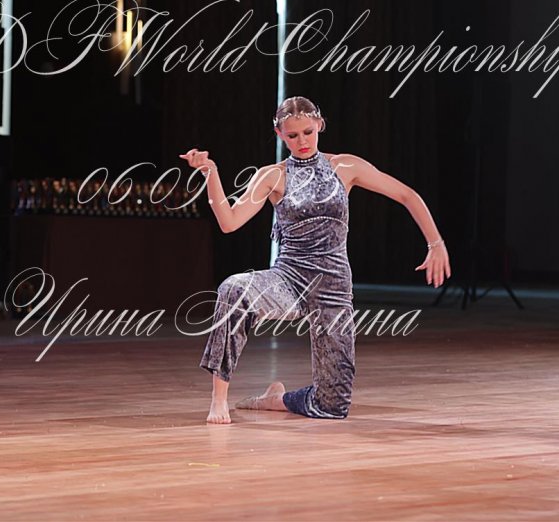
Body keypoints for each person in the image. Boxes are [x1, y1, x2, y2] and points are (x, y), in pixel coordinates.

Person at [179, 96, 451, 424]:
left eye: (308, 132)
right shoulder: (273, 176)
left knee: (333, 406)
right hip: (289, 280)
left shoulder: (345, 167)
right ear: (280, 134)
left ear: (320, 125)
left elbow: (407, 195)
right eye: (293, 135)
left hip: (333, 286)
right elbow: (229, 222)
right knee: (233, 288)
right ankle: (219, 397)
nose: (302, 141)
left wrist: (436, 243)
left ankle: (275, 400)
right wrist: (211, 172)